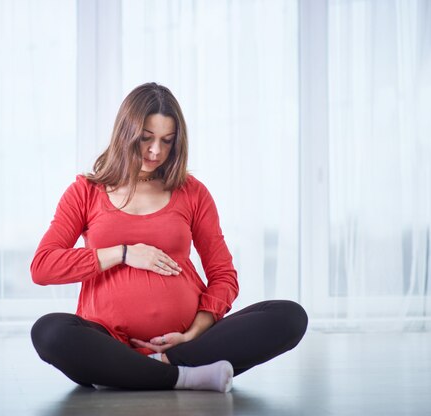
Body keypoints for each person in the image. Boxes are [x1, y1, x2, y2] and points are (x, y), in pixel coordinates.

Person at [30, 82, 308, 393]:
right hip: (108, 341)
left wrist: (194, 332)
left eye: (167, 141)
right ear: (126, 133)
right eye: (146, 139)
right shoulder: (85, 191)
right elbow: (43, 266)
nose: (156, 151)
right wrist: (123, 253)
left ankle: (158, 366)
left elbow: (223, 275)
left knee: (288, 316)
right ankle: (183, 376)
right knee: (49, 332)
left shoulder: (192, 192)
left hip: (189, 343)